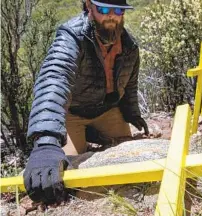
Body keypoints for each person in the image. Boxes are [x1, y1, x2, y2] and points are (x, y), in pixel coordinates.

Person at [23, 0, 149, 204]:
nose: (112, 16)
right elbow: (55, 78)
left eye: (118, 10)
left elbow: (129, 84)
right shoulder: (72, 37)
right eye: (104, 9)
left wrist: (132, 112)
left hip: (108, 111)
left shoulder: (130, 47)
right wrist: (46, 140)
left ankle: (94, 133)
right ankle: (82, 136)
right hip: (73, 114)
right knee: (67, 178)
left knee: (130, 159)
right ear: (89, 6)